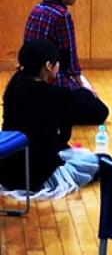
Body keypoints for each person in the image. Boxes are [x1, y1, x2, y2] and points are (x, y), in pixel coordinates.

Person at [23, 0, 109, 126]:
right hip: (52, 79)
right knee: (100, 111)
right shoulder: (62, 15)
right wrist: (81, 84)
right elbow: (69, 53)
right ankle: (52, 113)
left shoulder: (37, 9)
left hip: (30, 79)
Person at [1, 40, 76, 192]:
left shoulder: (14, 87)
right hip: (37, 175)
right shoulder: (60, 95)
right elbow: (64, 137)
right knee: (100, 161)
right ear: (49, 65)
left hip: (7, 172)